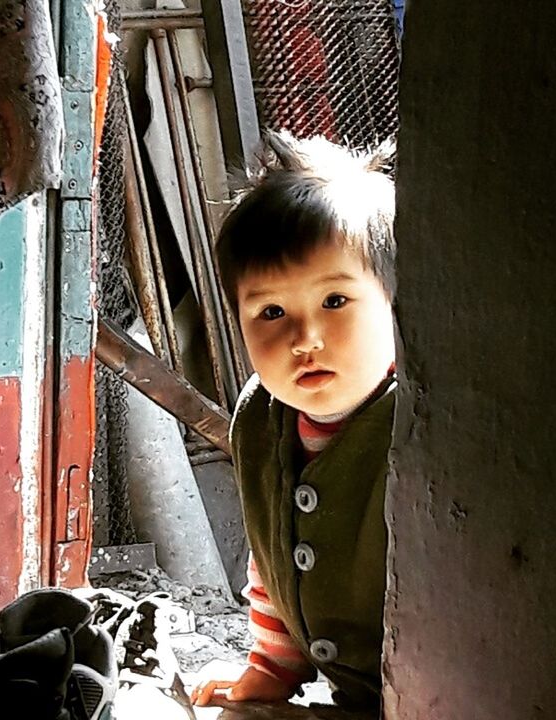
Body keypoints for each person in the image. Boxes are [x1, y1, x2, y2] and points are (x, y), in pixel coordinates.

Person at [190, 130, 397, 712]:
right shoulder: (262, 418)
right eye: (272, 311)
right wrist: (270, 668)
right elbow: (275, 552)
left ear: (395, 304)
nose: (305, 339)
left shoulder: (417, 425)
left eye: (335, 302)